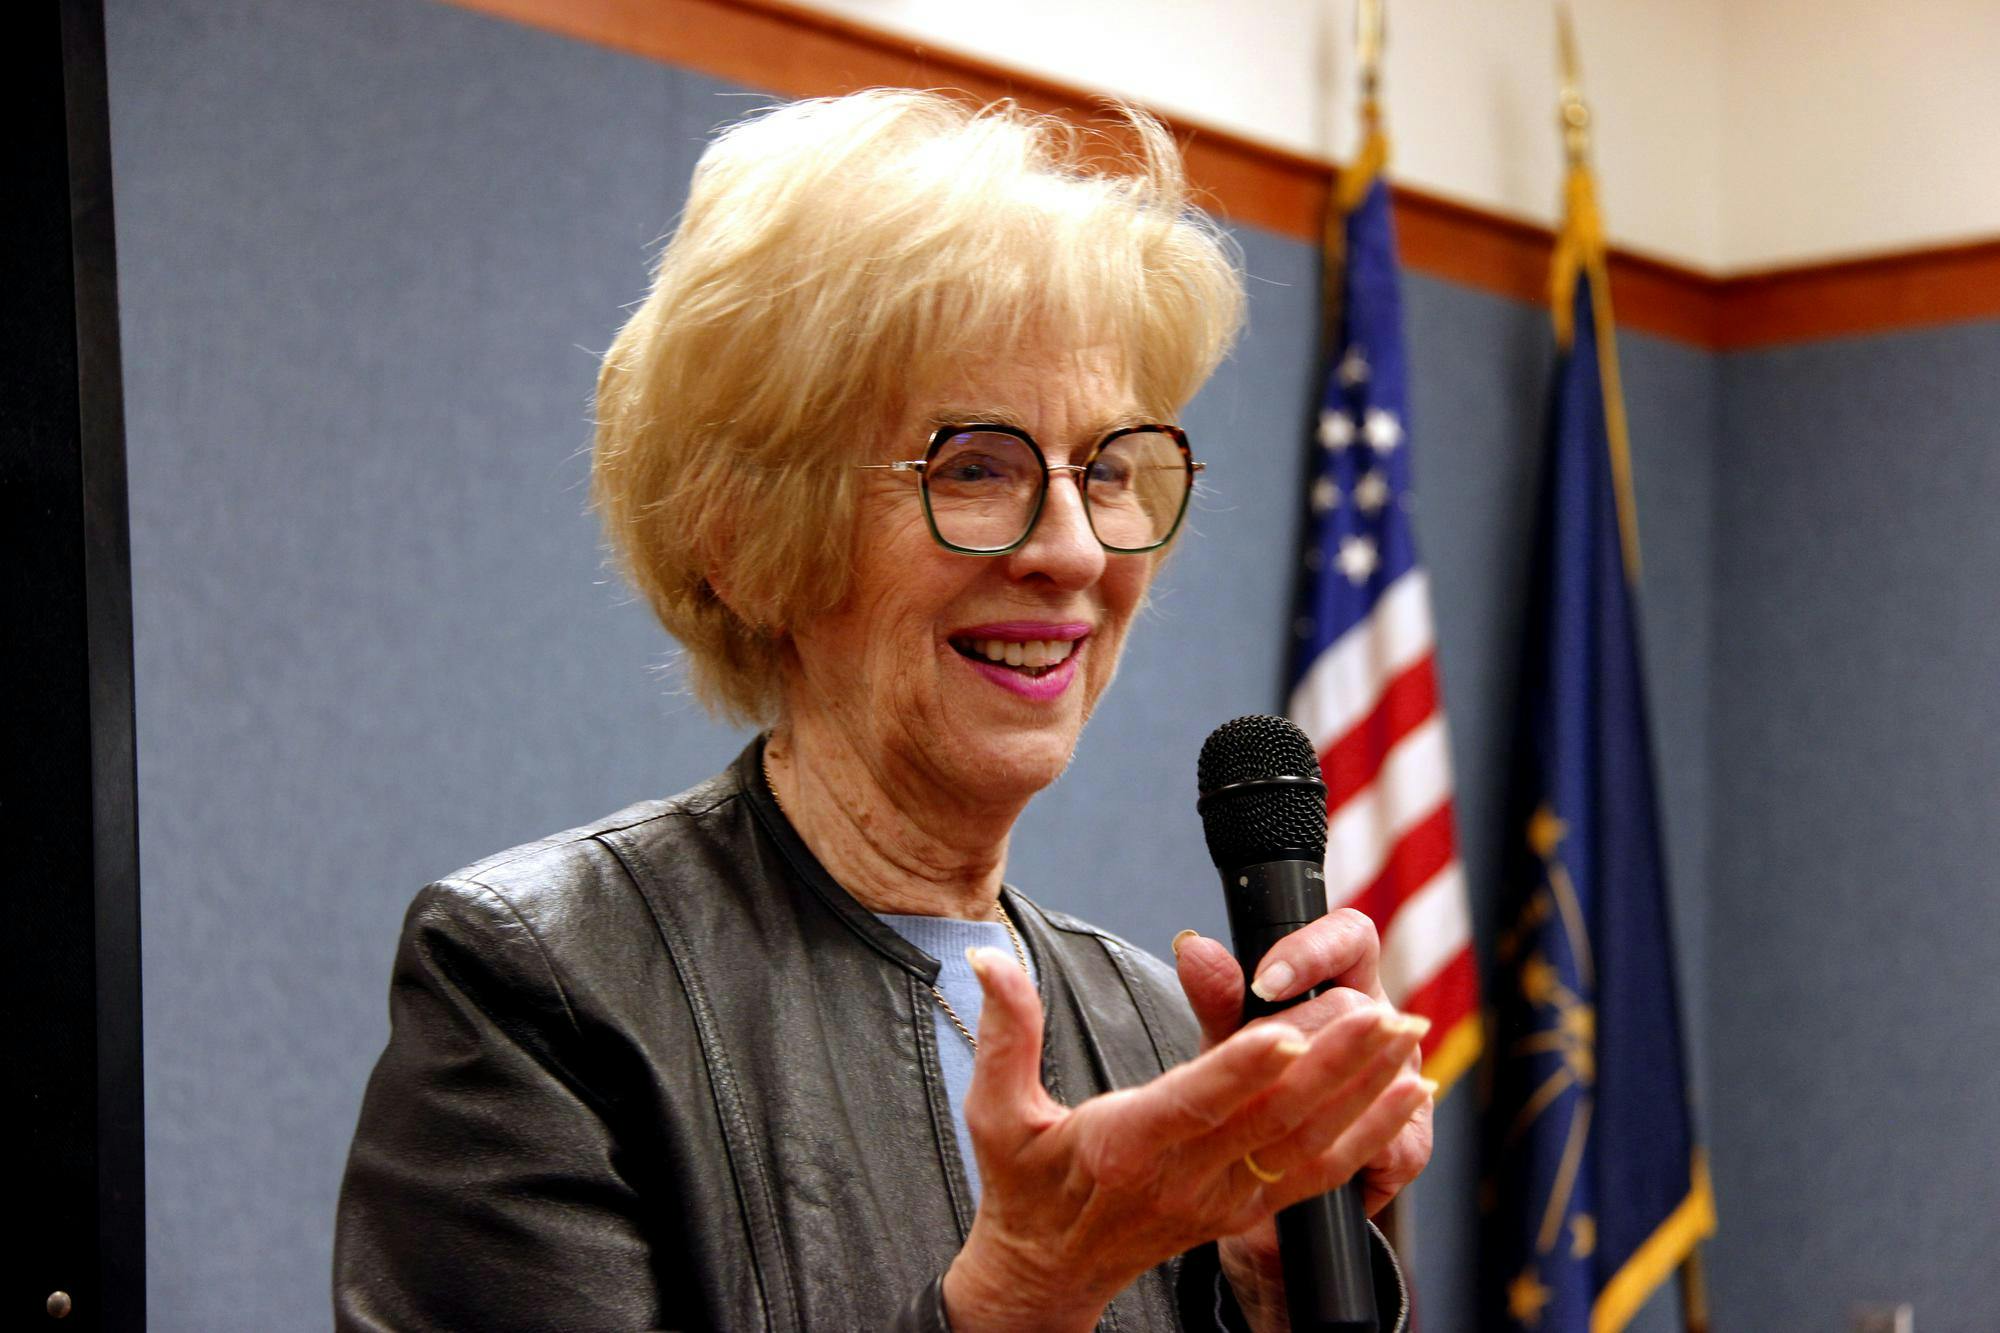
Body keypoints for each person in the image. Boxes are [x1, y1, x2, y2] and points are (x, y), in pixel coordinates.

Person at [334, 90, 1433, 1332]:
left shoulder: (1157, 1028)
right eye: (975, 465)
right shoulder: (543, 984)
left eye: (1108, 469)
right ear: (745, 541)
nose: (1070, 550)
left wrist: (1270, 1294)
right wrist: (1020, 1297)